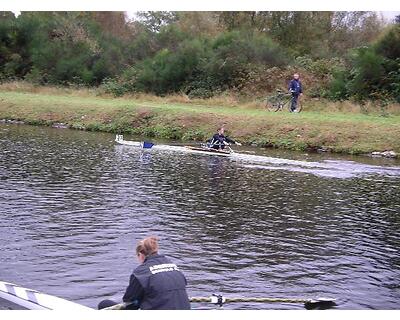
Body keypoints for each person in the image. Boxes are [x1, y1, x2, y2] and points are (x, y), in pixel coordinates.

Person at [98, 237, 190, 310]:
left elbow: (130, 304)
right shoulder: (173, 266)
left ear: (141, 254)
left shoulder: (141, 272)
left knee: (104, 304)